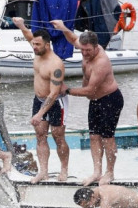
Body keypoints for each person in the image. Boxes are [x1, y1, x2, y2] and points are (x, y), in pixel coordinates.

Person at [51, 20, 124, 186]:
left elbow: (89, 91)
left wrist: (67, 90)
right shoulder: (85, 49)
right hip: (96, 101)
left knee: (107, 138)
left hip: (110, 100)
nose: (84, 53)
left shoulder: (101, 62)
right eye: (82, 50)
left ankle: (109, 172)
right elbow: (73, 39)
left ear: (96, 47)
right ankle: (97, 172)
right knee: (93, 137)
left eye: (88, 50)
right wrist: (63, 28)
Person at [13, 17, 69, 182]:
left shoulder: (56, 64)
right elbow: (28, 35)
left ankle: (64, 170)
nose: (34, 47)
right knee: (40, 135)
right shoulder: (38, 51)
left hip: (56, 101)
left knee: (58, 136)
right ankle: (43, 171)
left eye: (37, 45)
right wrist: (21, 25)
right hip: (38, 98)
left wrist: (39, 114)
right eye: (33, 44)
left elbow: (53, 94)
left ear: (47, 45)